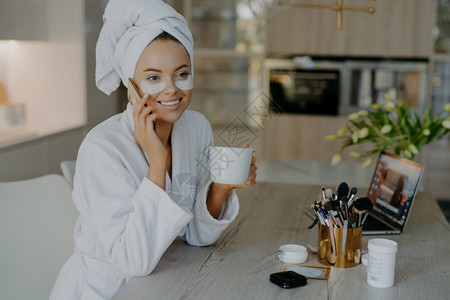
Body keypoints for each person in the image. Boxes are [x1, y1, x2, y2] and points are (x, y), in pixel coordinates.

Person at [50, 0, 257, 299]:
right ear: (131, 86)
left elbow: (195, 236)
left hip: (168, 279)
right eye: (153, 78)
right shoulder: (102, 148)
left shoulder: (196, 127)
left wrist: (220, 189)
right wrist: (158, 161)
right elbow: (133, 261)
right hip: (108, 289)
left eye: (182, 73)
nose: (171, 89)